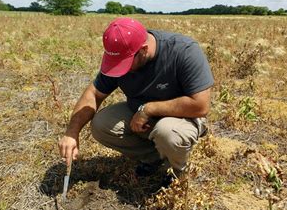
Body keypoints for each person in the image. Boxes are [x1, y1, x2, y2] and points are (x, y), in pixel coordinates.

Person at [58, 17, 214, 185]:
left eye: (125, 64)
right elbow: (94, 93)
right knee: (101, 124)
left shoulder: (183, 51)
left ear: (144, 50)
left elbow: (200, 105)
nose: (120, 69)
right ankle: (154, 158)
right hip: (139, 114)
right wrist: (72, 132)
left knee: (167, 133)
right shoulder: (121, 55)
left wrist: (148, 109)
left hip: (183, 117)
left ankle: (176, 173)